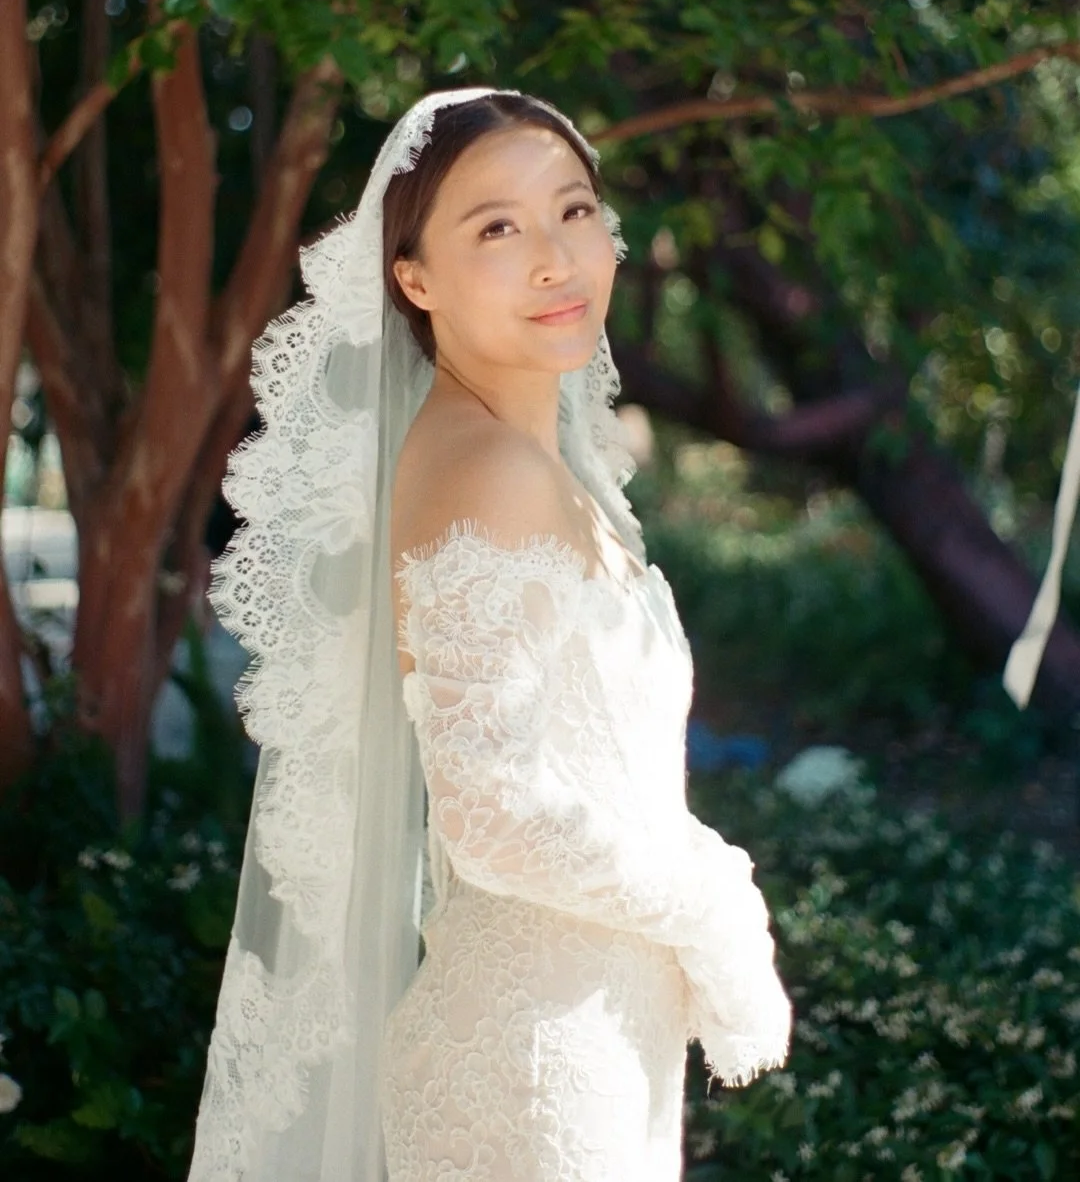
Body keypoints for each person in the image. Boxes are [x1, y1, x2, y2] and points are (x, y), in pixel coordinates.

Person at [187, 88, 791, 1182]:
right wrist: (714, 904)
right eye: (498, 227)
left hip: (597, 1045)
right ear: (414, 279)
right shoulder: (488, 471)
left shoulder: (534, 455)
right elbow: (493, 811)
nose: (557, 259)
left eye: (574, 210)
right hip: (536, 1076)